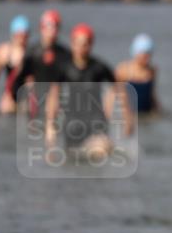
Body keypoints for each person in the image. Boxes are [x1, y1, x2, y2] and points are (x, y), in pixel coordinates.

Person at [47, 23, 132, 158]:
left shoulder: (99, 67)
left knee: (101, 151)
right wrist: (50, 125)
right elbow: (53, 96)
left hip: (96, 121)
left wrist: (127, 118)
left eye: (85, 44)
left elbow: (119, 87)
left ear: (91, 45)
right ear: (72, 44)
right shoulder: (63, 68)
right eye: (78, 43)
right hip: (72, 123)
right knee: (72, 160)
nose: (81, 48)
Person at [0, 15, 30, 114]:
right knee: (5, 108)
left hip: (25, 102)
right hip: (8, 101)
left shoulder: (31, 55)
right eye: (18, 35)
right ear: (13, 35)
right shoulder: (4, 52)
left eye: (24, 36)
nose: (21, 39)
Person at [115, 33, 160, 114]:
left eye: (149, 54)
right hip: (130, 113)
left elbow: (152, 95)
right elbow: (115, 94)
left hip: (146, 113)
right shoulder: (123, 69)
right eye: (145, 55)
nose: (147, 58)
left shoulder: (151, 70)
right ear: (136, 53)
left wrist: (158, 111)